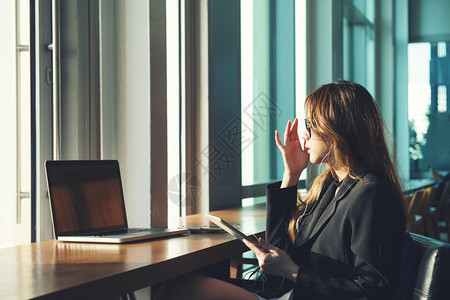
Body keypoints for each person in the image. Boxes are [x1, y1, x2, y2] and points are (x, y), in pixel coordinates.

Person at [154, 81, 406, 300]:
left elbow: (374, 290)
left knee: (181, 288)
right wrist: (291, 175)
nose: (304, 133)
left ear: (337, 130)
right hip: (289, 293)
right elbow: (283, 250)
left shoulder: (370, 194)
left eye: (311, 124)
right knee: (178, 286)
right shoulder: (333, 186)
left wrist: (293, 271)